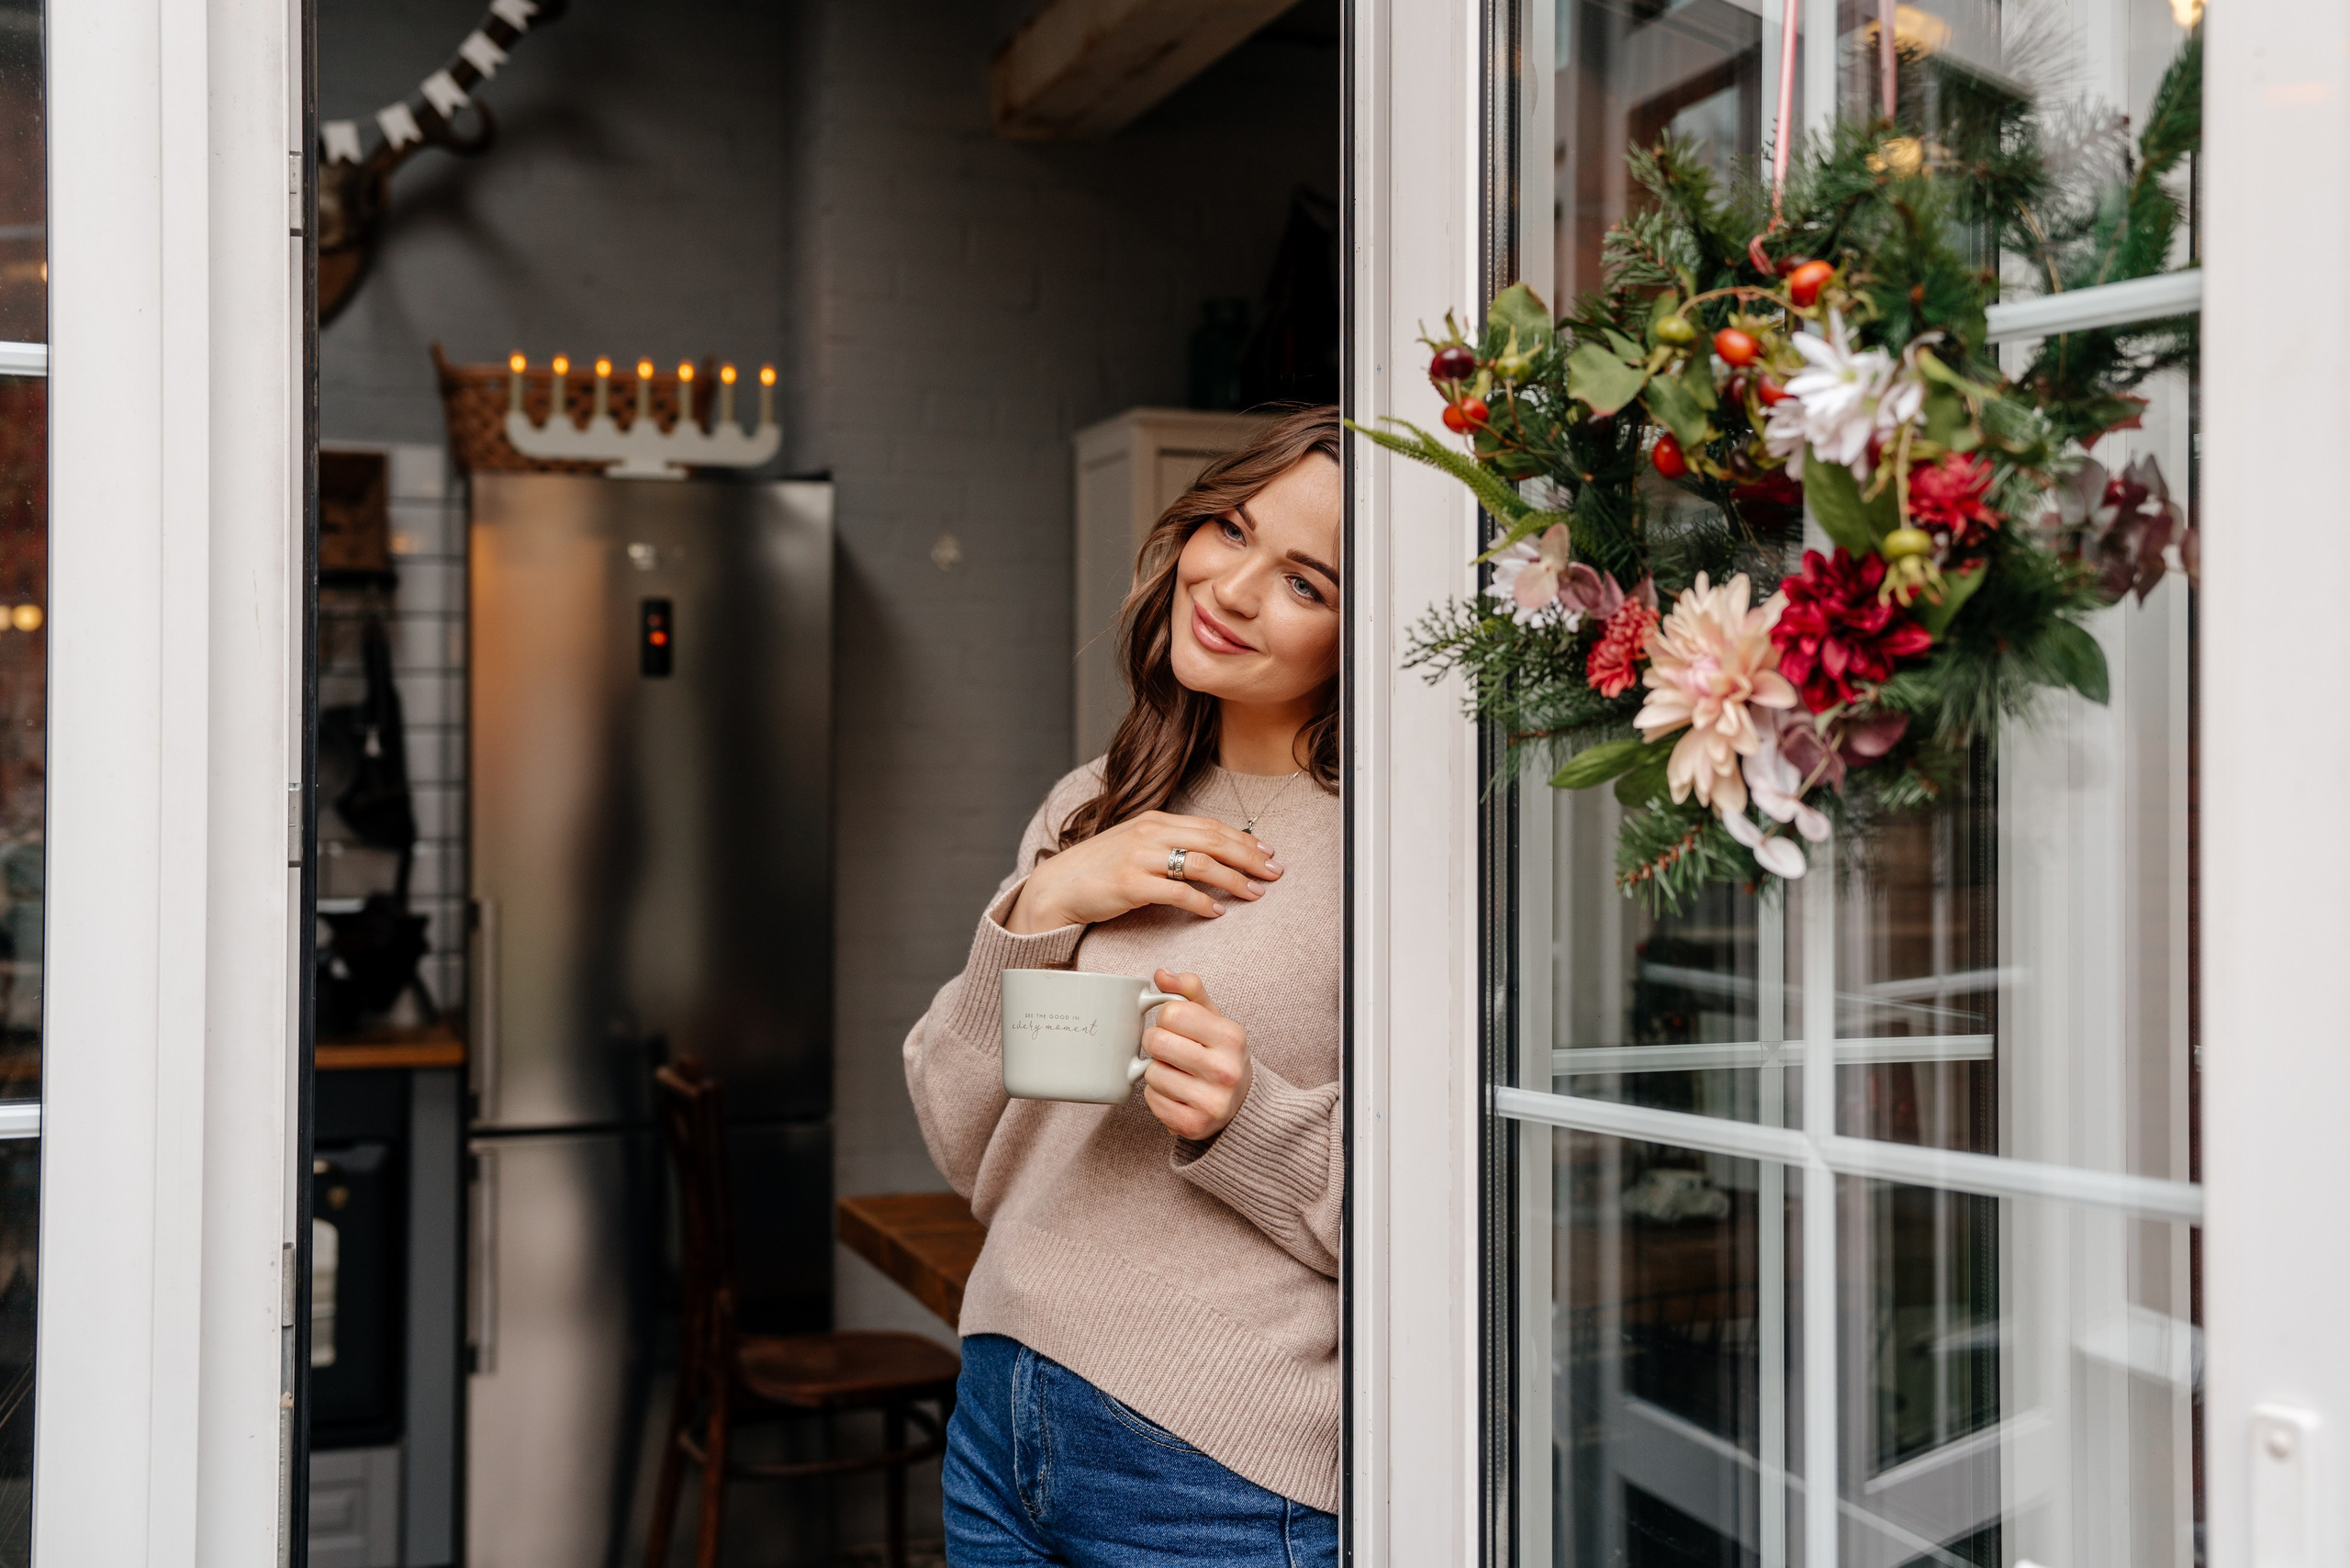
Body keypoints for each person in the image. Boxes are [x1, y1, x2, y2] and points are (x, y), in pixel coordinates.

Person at [903, 406, 1344, 1566]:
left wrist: (1246, 1121)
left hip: (1221, 1466)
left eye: (1305, 582)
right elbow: (959, 1137)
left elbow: (1457, 1212)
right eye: (1231, 529)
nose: (1233, 587)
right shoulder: (1095, 798)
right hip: (1000, 1421)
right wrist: (1043, 905)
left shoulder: (1386, 854)